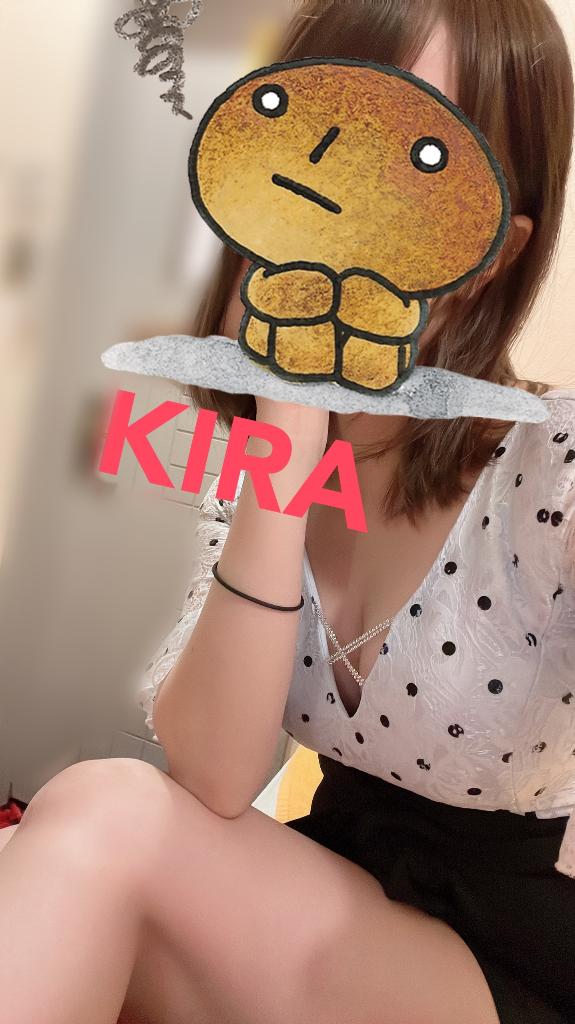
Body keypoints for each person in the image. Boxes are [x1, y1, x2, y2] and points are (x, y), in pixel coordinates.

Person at [0, 2, 573, 1022]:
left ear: (490, 250)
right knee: (82, 821)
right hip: (323, 894)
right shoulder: (280, 455)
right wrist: (289, 435)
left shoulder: (551, 469)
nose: (321, 181)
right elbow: (215, 776)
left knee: (103, 821)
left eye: (409, 158)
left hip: (507, 956)